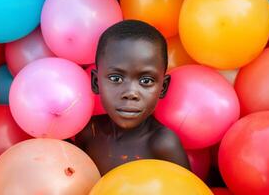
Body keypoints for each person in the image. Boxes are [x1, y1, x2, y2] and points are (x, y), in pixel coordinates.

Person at [75, 20, 190, 175]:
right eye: (116, 79)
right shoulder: (89, 132)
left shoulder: (163, 144)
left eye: (146, 81)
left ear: (162, 87)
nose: (131, 93)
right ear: (96, 82)